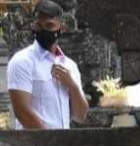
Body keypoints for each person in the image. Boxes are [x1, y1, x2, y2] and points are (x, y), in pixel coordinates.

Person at [7, 0, 88, 129]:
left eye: (49, 25)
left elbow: (80, 116)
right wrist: (51, 143)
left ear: (62, 28)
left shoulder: (70, 65)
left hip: (63, 145)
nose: (43, 30)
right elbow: (22, 113)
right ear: (33, 26)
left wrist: (72, 86)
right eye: (39, 26)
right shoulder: (22, 61)